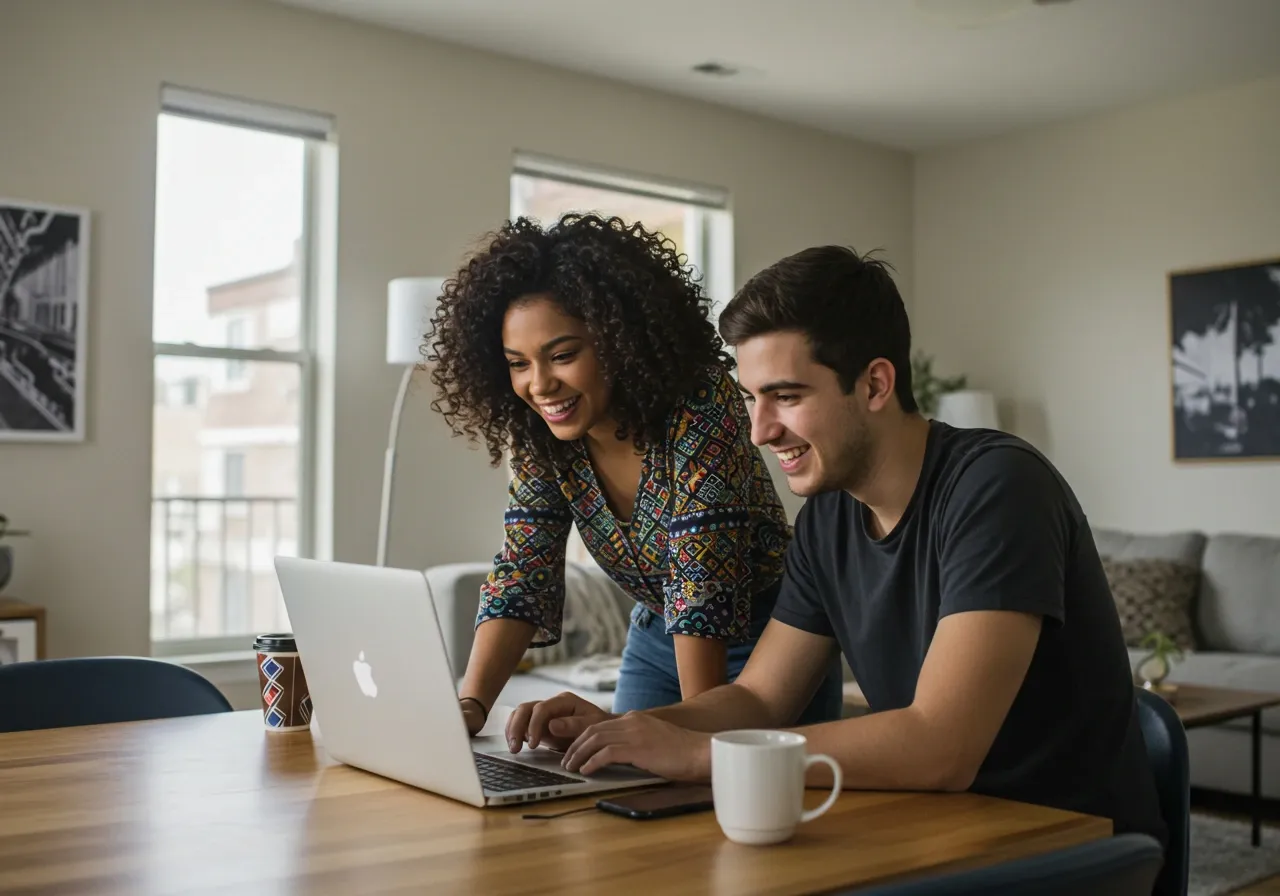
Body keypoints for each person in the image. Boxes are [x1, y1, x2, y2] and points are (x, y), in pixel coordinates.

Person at [505, 245, 1168, 849]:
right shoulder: (827, 519)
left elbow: (942, 747)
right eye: (751, 400)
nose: (760, 432)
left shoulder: (997, 487)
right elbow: (760, 699)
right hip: (942, 830)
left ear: (875, 385)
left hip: (1069, 850)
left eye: (786, 397)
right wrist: (629, 732)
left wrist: (701, 755)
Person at [426, 213, 844, 737]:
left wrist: (693, 737)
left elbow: (701, 587)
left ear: (618, 339)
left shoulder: (700, 402)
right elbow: (521, 571)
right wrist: (470, 707)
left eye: (562, 355)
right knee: (612, 790)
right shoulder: (543, 433)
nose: (540, 385)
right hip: (654, 636)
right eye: (517, 363)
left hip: (771, 645)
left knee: (708, 793)